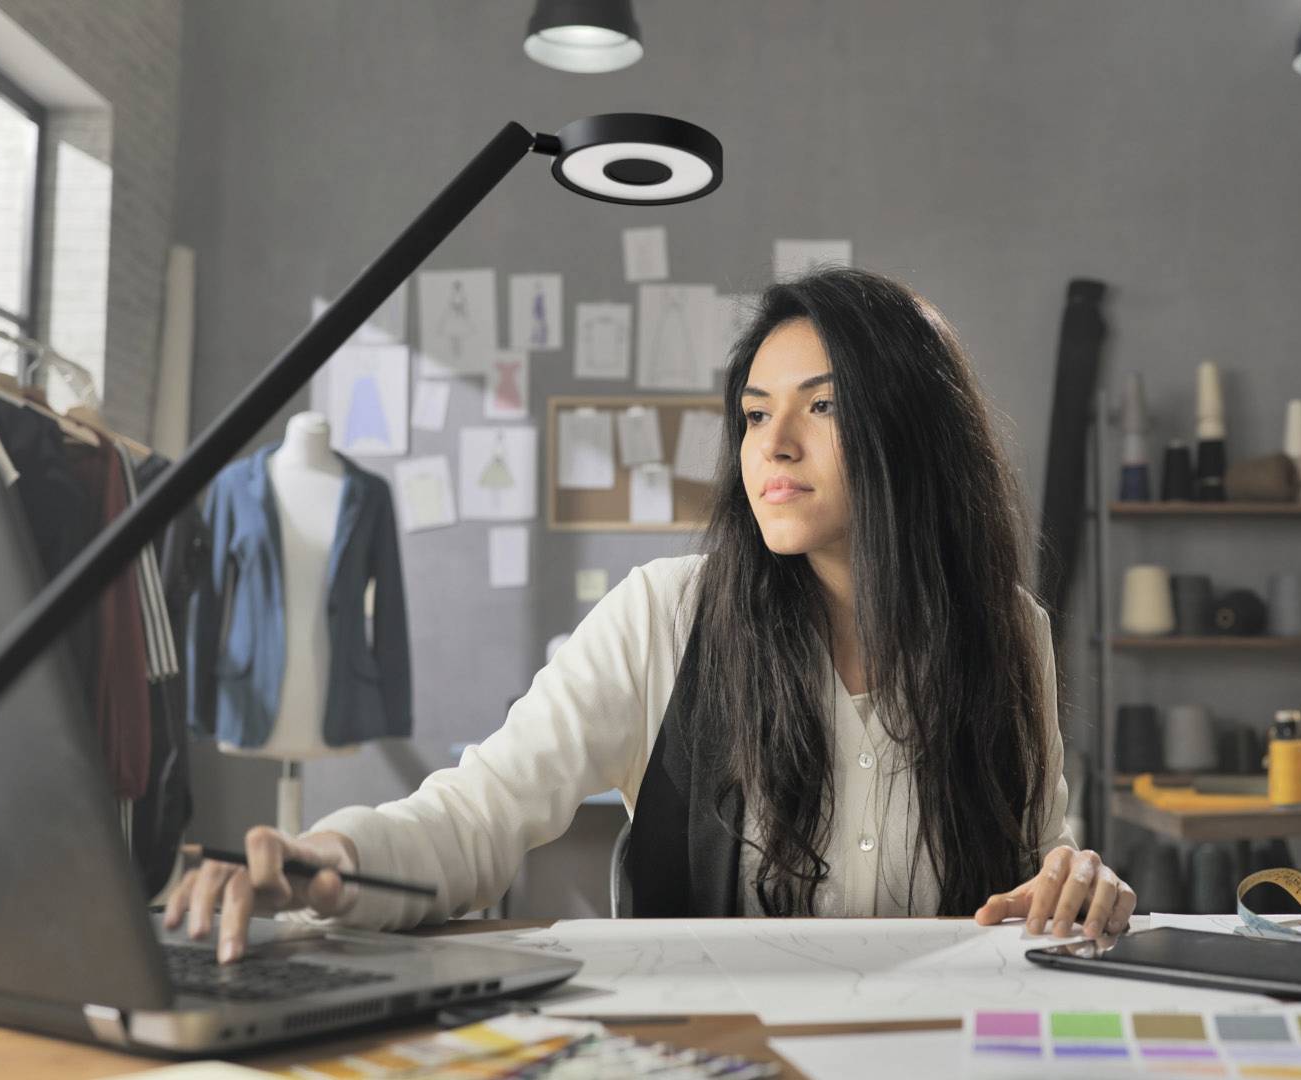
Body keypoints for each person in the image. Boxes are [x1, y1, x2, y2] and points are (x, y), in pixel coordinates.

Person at [166, 268, 1138, 962]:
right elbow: (476, 814)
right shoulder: (662, 618)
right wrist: (328, 859)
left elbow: (1031, 860)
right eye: (755, 414)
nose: (775, 446)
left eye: (823, 408)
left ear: (913, 434)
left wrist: (1073, 878)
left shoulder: (1010, 633)